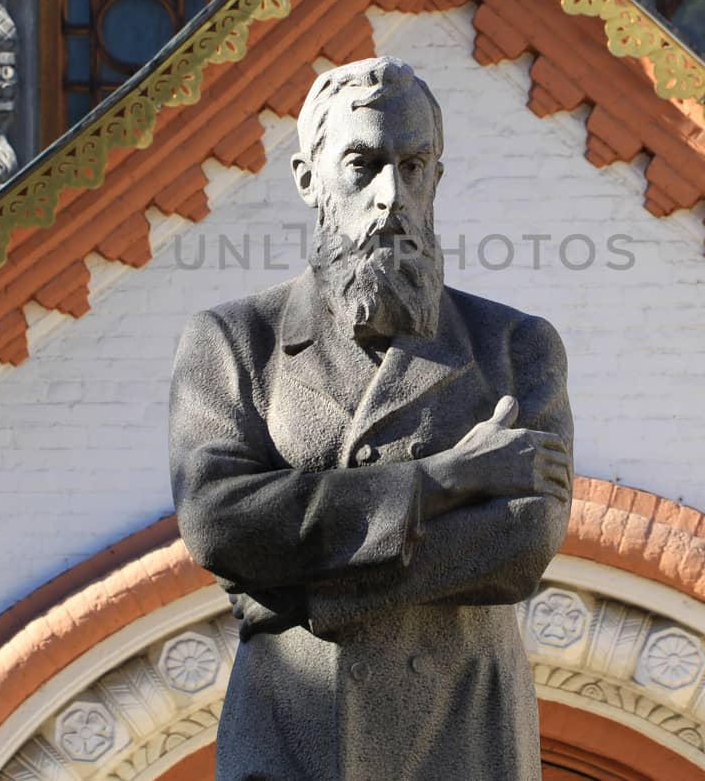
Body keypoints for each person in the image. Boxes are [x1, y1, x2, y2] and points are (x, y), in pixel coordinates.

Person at [168, 56, 573, 780]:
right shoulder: (236, 342)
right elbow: (218, 519)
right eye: (364, 164)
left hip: (462, 736)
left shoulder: (512, 346)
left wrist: (294, 591)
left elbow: (519, 541)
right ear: (309, 180)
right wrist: (445, 479)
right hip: (291, 737)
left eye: (414, 165)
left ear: (437, 179)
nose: (391, 196)